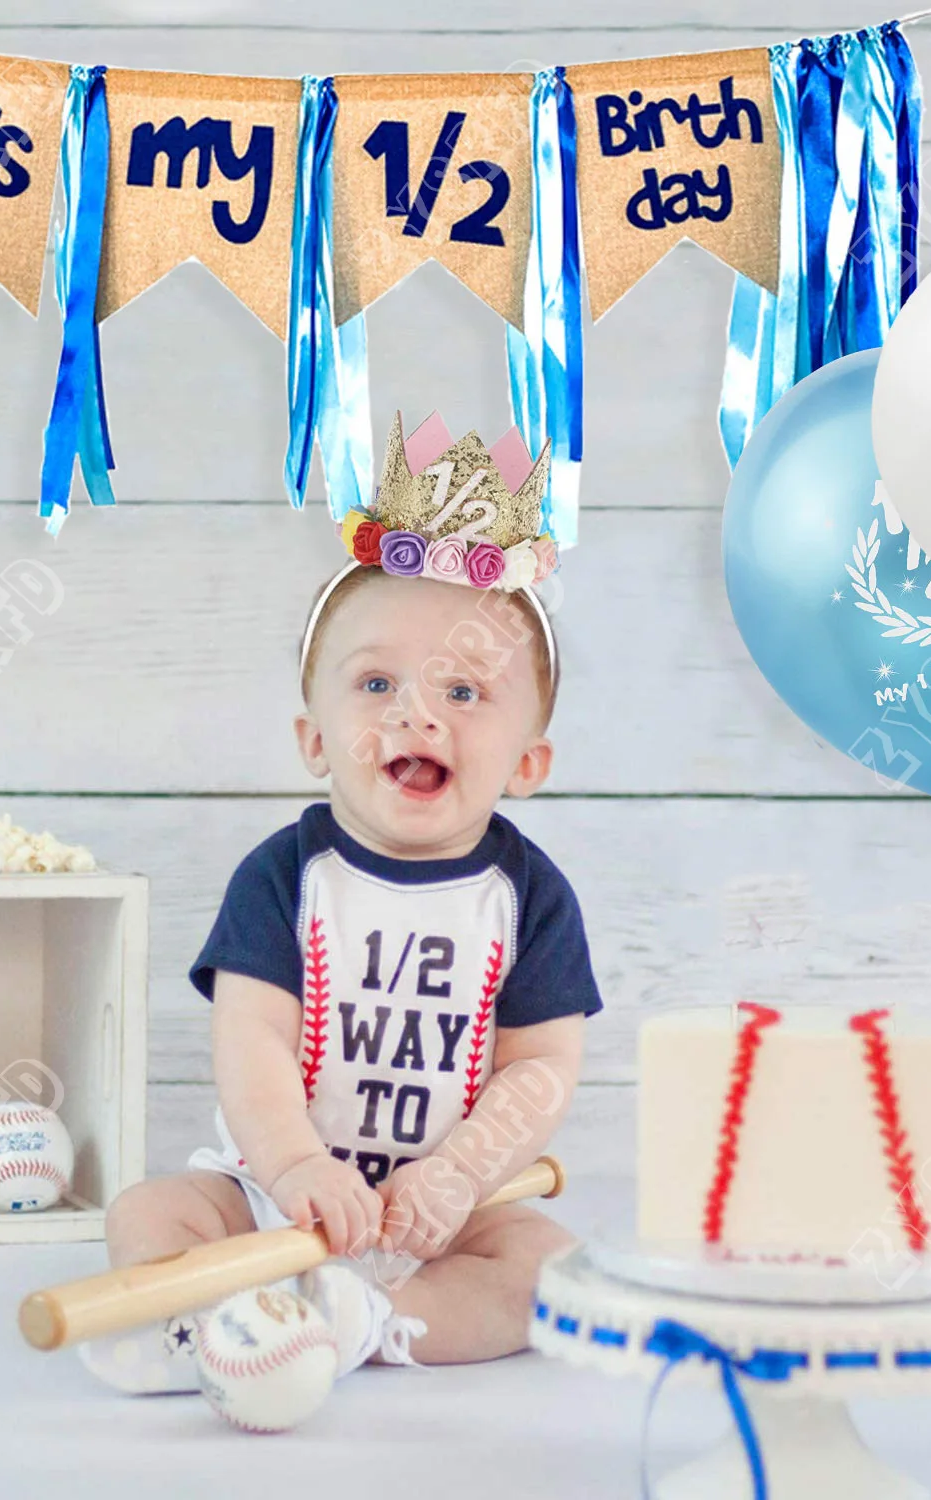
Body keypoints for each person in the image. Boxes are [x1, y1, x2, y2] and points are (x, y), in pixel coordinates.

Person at [83, 413, 604, 1394]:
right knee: (150, 1213)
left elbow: (539, 1069)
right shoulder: (285, 879)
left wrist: (459, 1174)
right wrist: (293, 1170)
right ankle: (201, 1325)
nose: (417, 713)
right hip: (274, 1197)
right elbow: (253, 1042)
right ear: (315, 741)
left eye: (464, 692)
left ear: (528, 763)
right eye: (376, 682)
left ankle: (363, 1318)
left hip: (440, 1215)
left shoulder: (526, 899)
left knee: (552, 1271)